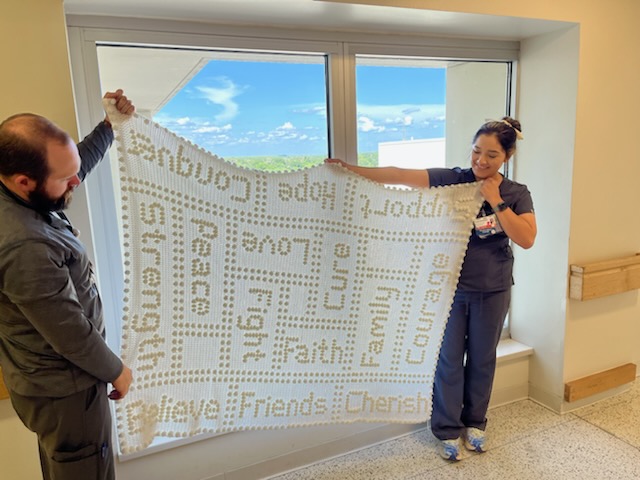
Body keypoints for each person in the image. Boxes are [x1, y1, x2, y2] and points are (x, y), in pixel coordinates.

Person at [326, 117, 536, 461]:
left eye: (491, 155)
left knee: (483, 360)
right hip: (450, 290)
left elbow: (526, 238)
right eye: (476, 151)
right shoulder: (453, 180)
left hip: (493, 289)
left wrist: (496, 200)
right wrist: (350, 168)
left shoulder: (516, 193)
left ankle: (476, 423)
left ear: (507, 157)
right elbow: (399, 175)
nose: (481, 161)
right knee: (448, 361)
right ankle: (447, 429)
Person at [0, 90, 135, 479]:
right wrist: (116, 370)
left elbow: (71, 169)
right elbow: (69, 332)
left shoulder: (22, 190)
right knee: (87, 470)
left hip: (44, 381)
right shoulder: (23, 244)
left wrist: (109, 128)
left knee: (67, 467)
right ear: (27, 182)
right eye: (65, 178)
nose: (75, 181)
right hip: (67, 390)